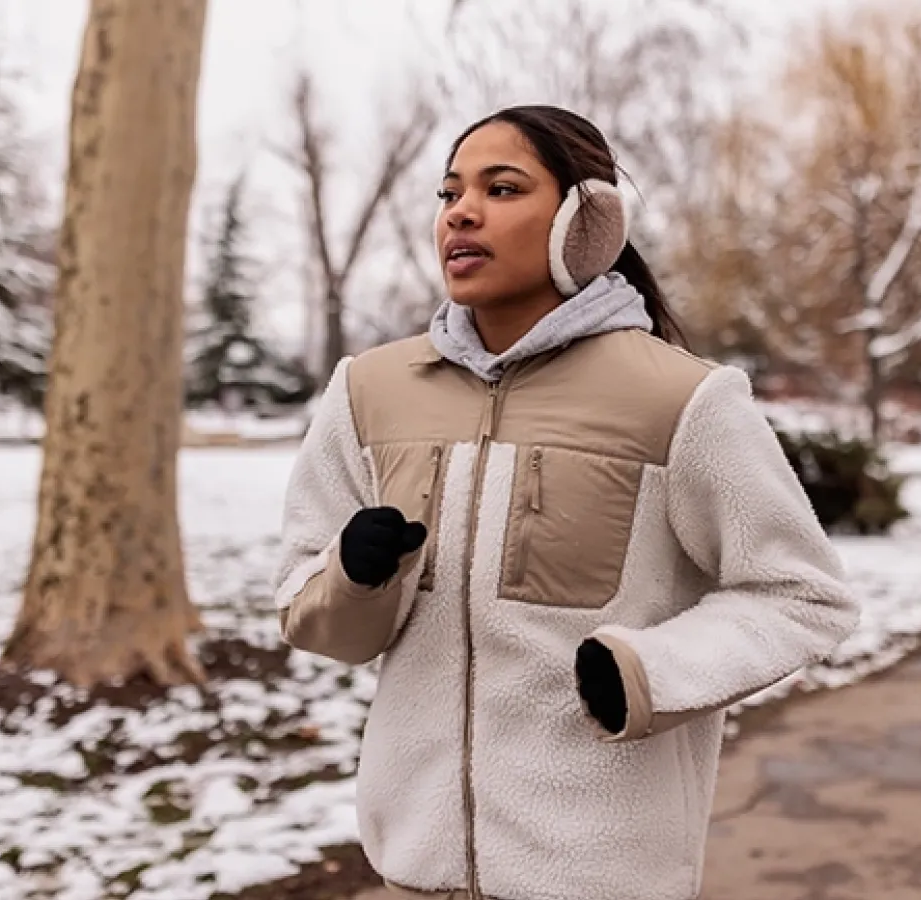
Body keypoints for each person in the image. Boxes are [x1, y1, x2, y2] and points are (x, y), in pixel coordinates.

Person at [272, 105, 860, 900]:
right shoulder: (367, 392)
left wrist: (653, 672)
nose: (462, 212)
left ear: (586, 220)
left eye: (502, 188)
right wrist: (353, 576)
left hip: (601, 875)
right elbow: (311, 614)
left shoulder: (684, 400)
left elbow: (801, 594)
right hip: (412, 867)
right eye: (450, 194)